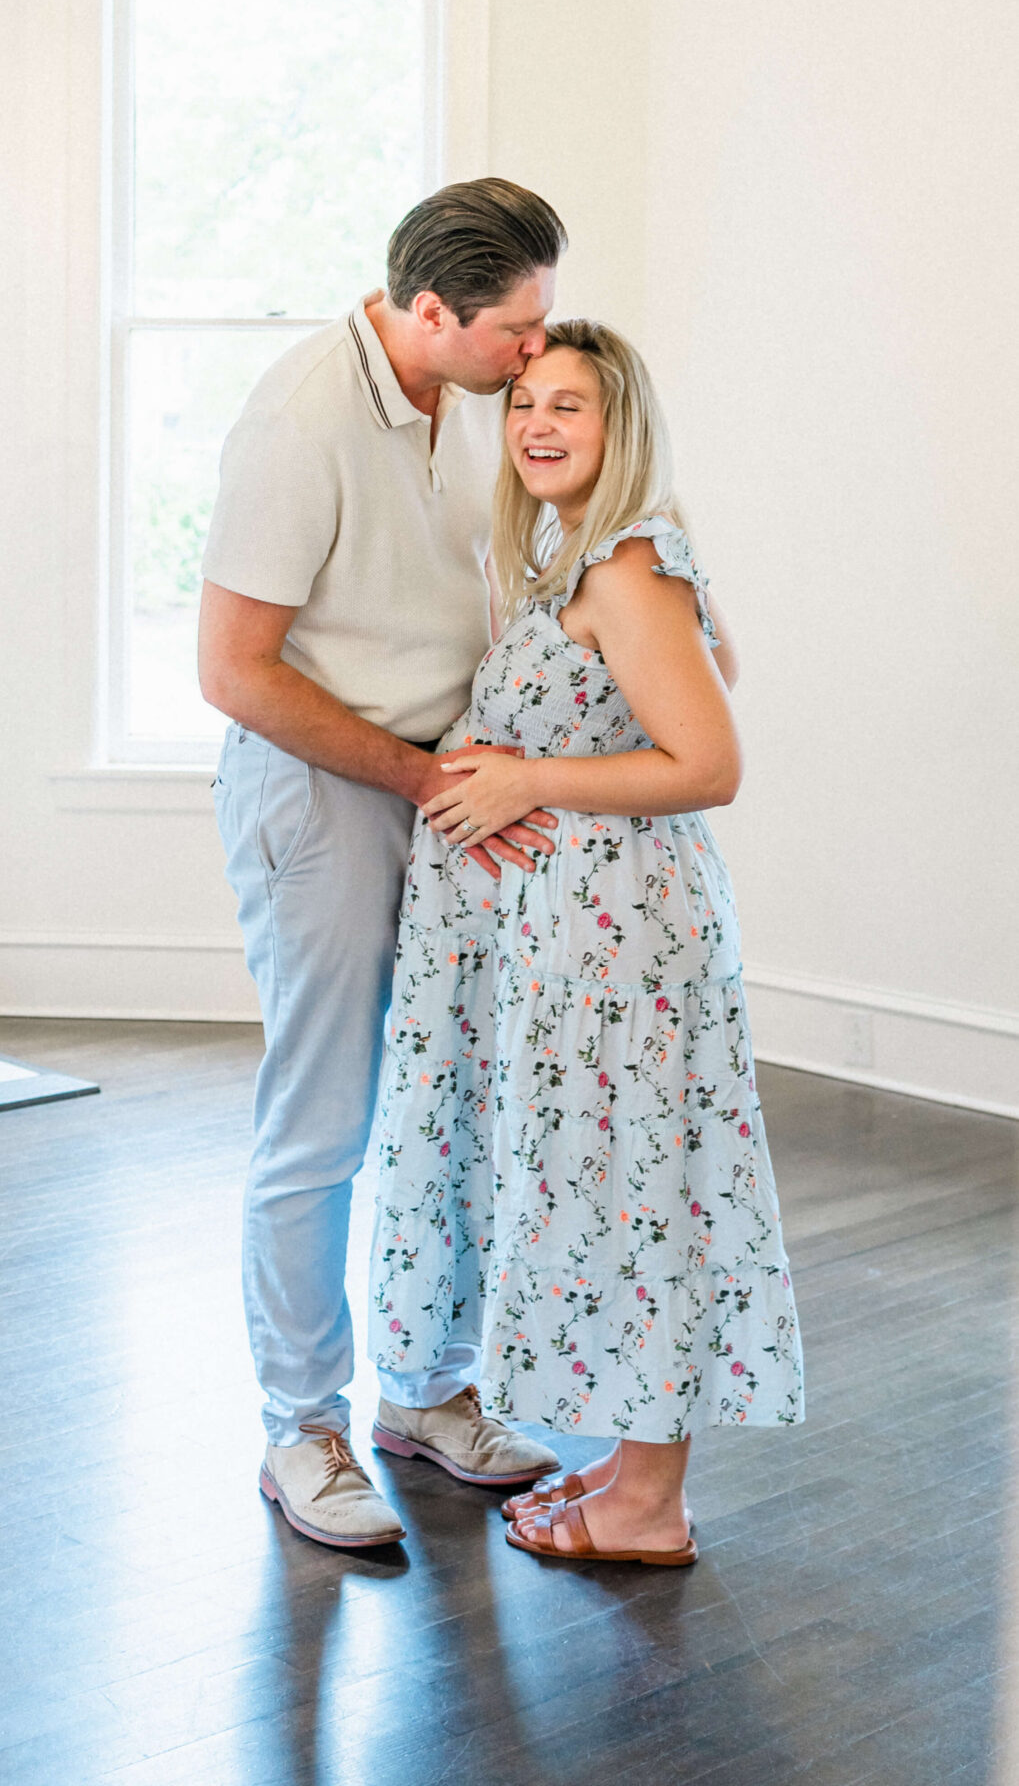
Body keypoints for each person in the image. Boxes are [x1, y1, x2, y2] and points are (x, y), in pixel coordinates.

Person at [370, 321, 802, 1567]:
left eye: (573, 406)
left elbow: (710, 763)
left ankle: (647, 1508)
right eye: (525, 405)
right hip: (593, 940)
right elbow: (700, 679)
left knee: (638, 1196)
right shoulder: (592, 557)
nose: (540, 425)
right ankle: (632, 1470)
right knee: (619, 1191)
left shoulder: (623, 566)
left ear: (623, 429)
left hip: (625, 948)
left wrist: (526, 783)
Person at [199, 178, 569, 1551]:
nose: (534, 352)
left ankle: (427, 1390)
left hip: (445, 775)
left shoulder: (474, 407)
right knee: (325, 1117)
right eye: (513, 329)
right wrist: (419, 781)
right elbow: (231, 673)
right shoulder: (299, 421)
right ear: (428, 311)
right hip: (321, 783)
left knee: (450, 1103)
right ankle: (299, 1425)